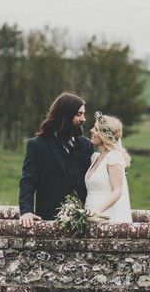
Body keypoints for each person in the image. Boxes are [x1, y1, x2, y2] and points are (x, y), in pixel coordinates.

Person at [18, 92, 93, 228]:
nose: (84, 119)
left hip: (81, 225)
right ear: (64, 115)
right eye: (78, 114)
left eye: (83, 114)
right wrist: (26, 211)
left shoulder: (87, 146)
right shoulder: (37, 145)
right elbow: (28, 181)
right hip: (46, 222)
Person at [84, 112, 132, 223]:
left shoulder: (114, 157)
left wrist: (98, 211)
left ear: (104, 134)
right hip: (90, 215)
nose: (91, 130)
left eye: (95, 129)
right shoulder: (95, 157)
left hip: (106, 215)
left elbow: (118, 190)